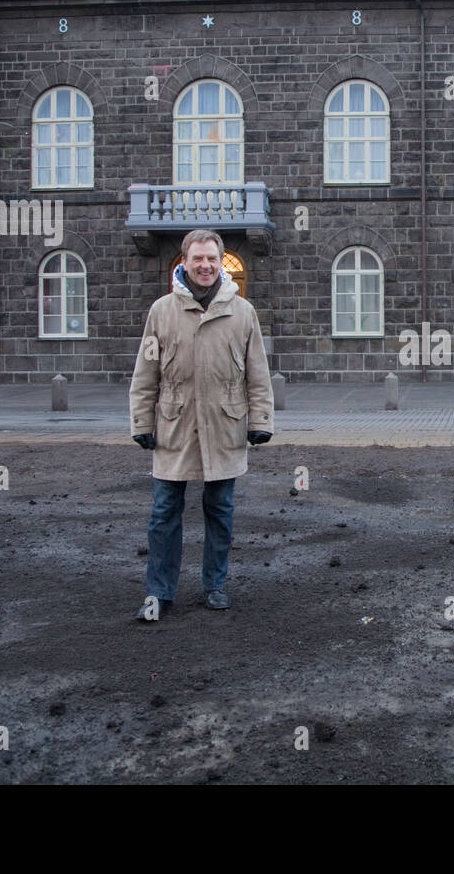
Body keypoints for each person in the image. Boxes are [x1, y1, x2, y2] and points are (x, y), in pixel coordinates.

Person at [128, 229, 274, 621]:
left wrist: (260, 419)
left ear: (221, 261)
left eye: (212, 258)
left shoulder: (243, 312)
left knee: (220, 510)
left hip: (224, 426)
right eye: (198, 259)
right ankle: (159, 591)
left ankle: (215, 586)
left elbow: (257, 373)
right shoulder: (161, 311)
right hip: (173, 427)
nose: (205, 265)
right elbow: (146, 373)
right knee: (163, 512)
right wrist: (142, 421)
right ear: (185, 262)